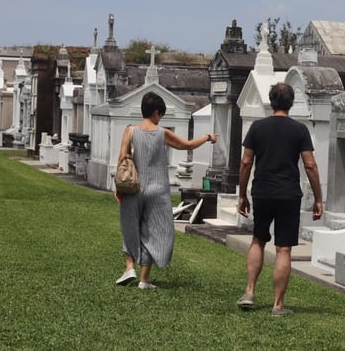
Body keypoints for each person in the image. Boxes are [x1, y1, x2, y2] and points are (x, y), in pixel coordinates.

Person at [114, 91, 217, 289]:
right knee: (155, 232)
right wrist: (207, 137)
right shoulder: (163, 133)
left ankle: (129, 268)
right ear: (156, 113)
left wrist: (119, 188)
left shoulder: (130, 131)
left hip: (132, 186)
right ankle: (144, 279)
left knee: (129, 227)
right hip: (157, 190)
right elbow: (187, 145)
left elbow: (122, 159)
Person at [236, 82, 323, 316]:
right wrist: (318, 198)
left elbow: (246, 162)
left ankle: (250, 291)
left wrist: (242, 194)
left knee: (258, 239)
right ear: (291, 103)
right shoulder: (299, 130)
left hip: (262, 191)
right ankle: (277, 305)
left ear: (271, 101)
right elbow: (310, 165)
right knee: (283, 249)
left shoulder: (257, 127)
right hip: (288, 194)